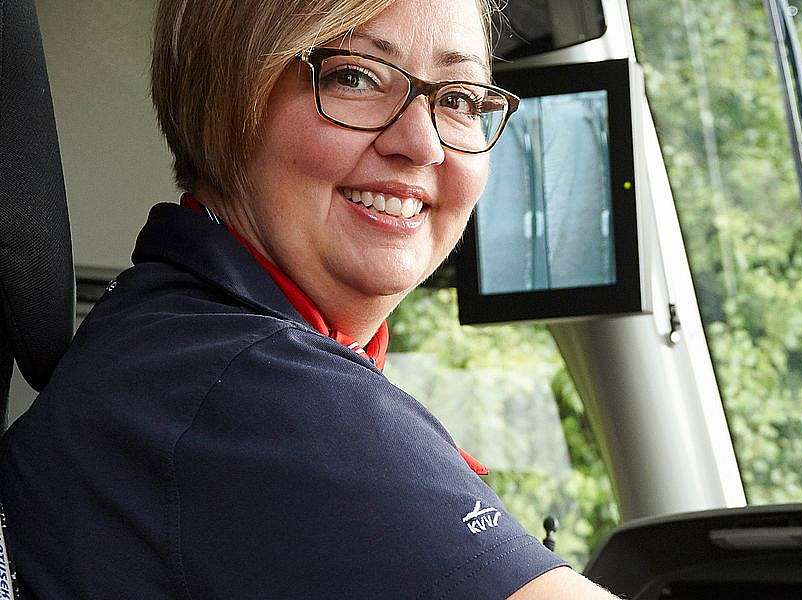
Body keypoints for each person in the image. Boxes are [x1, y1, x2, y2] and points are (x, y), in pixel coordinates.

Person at [0, 0, 619, 597]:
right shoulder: (257, 389)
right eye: (356, 76)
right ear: (229, 103)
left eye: (457, 100)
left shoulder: (167, 341)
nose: (423, 143)